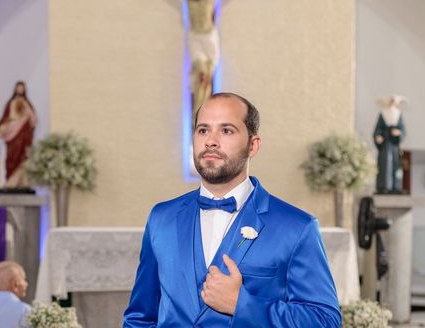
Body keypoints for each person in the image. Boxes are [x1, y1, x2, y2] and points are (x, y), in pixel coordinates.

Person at [123, 93, 341, 327]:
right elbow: (140, 318)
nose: (210, 141)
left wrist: (242, 304)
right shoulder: (161, 218)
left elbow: (325, 320)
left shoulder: (297, 227)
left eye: (226, 130)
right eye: (203, 130)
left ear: (253, 145)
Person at [133, 0, 264, 115]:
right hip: (195, 37)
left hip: (209, 37)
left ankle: (203, 111)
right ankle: (198, 111)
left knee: (207, 77)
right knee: (201, 73)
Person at [0, 81, 37, 187]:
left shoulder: (26, 104)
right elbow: (5, 118)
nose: (20, 90)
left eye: (21, 88)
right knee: (11, 157)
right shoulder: (11, 103)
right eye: (18, 88)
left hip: (23, 136)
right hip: (12, 136)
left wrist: (26, 116)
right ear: (15, 89)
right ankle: (10, 182)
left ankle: (22, 183)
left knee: (23, 158)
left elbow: (33, 120)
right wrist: (5, 127)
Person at [373, 95, 406, 193]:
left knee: (396, 165)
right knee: (384, 164)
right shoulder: (383, 114)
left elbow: (403, 130)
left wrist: (399, 133)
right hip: (385, 143)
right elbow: (378, 129)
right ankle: (384, 186)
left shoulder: (398, 115)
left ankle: (395, 187)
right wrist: (378, 136)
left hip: (394, 144)